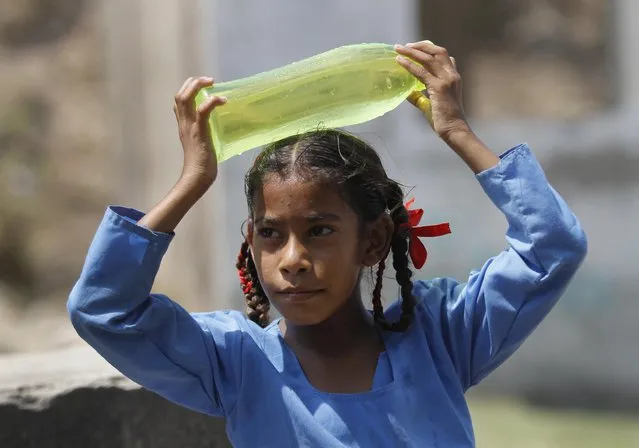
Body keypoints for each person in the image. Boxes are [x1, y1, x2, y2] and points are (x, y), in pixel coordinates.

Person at [67, 41, 587, 447]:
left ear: (374, 240)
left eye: (319, 231)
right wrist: (192, 183)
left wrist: (456, 131)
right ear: (251, 242)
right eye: (271, 234)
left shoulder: (441, 339)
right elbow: (102, 311)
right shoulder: (233, 362)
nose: (292, 260)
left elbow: (552, 247)